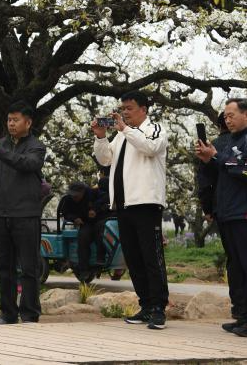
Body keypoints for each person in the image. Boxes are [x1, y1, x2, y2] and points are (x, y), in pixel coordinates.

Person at [195, 98, 247, 338]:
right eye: (225, 116)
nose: (227, 120)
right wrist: (208, 160)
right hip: (228, 212)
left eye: (231, 115)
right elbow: (222, 172)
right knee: (238, 267)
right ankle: (245, 316)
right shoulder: (228, 142)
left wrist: (217, 157)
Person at [92, 90, 169, 330]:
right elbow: (105, 160)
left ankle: (158, 308)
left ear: (144, 109)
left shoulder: (154, 129)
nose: (124, 112)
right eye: (122, 108)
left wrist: (124, 128)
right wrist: (102, 137)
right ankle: (146, 305)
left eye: (129, 108)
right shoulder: (121, 136)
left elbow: (150, 147)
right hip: (123, 205)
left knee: (151, 258)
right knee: (133, 259)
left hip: (146, 203)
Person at [0, 101, 47, 325]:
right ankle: (8, 313)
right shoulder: (3, 143)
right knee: (4, 267)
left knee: (29, 267)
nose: (11, 124)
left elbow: (27, 164)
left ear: (28, 122)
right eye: (9, 120)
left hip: (26, 214)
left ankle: (30, 314)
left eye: (16, 120)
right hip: (2, 213)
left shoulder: (36, 146)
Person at [59, 181, 108, 278]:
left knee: (100, 231)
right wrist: (74, 218)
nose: (74, 197)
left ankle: (100, 259)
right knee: (82, 237)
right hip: (86, 223)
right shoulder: (69, 199)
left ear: (83, 191)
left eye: (77, 195)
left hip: (99, 220)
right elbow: (65, 212)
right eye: (72, 195)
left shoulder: (93, 192)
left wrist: (95, 209)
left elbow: (106, 197)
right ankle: (83, 269)